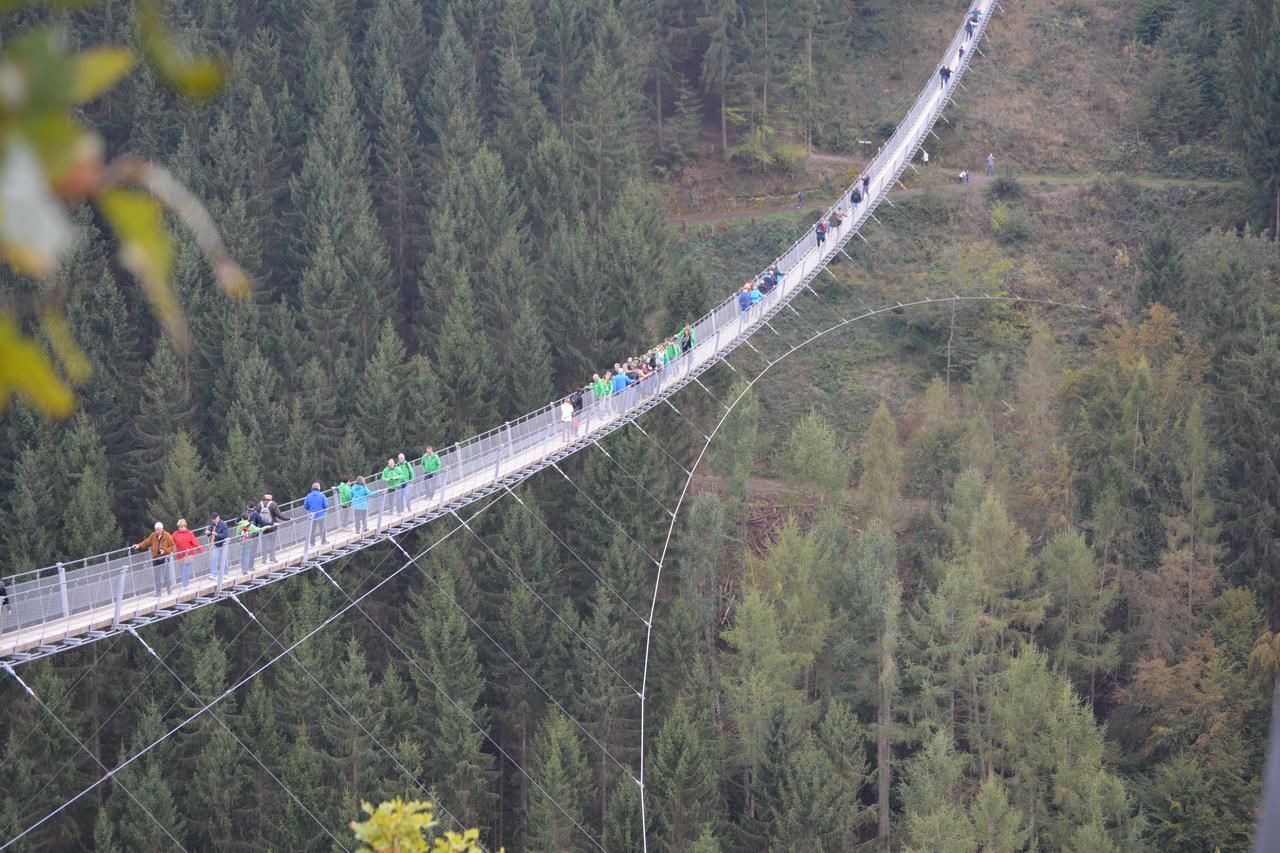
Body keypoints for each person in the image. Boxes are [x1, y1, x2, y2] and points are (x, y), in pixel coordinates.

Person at [134, 521, 176, 597]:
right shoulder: (153, 536)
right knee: (157, 576)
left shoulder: (167, 535)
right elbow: (146, 542)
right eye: (156, 529)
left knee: (166, 575)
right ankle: (158, 592)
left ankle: (169, 589)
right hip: (156, 559)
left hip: (165, 558)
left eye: (159, 529)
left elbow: (172, 546)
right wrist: (139, 546)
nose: (157, 531)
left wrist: (165, 551)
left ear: (162, 529)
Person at [171, 518, 202, 588]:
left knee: (186, 568)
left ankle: (185, 585)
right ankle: (185, 583)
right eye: (179, 527)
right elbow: (170, 541)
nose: (180, 528)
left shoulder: (189, 533)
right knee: (183, 570)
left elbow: (195, 542)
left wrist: (201, 551)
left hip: (189, 554)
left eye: (182, 527)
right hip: (180, 555)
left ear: (185, 526)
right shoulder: (175, 534)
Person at [257, 493, 287, 564]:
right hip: (272, 527)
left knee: (264, 544)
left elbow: (257, 517)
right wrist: (288, 518)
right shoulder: (273, 504)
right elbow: (279, 515)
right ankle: (272, 558)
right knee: (272, 543)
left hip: (263, 528)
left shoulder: (259, 504)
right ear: (271, 497)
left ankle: (264, 560)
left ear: (264, 497)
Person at [208, 512, 230, 579]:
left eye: (215, 519)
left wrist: (216, 534)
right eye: (213, 519)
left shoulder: (223, 524)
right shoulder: (212, 524)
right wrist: (208, 533)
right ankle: (213, 574)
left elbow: (225, 535)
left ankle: (225, 573)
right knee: (214, 558)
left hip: (223, 544)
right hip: (215, 544)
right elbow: (210, 531)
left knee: (224, 559)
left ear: (218, 517)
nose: (214, 520)